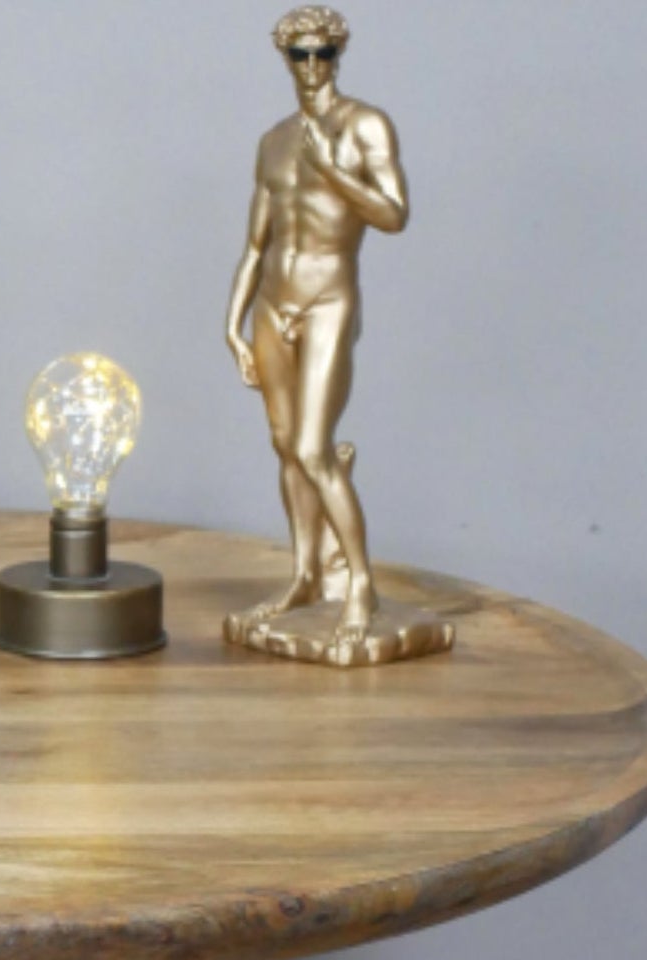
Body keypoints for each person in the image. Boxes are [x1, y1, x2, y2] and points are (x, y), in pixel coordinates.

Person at [225, 7, 408, 647]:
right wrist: (232, 327)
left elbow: (393, 215)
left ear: (338, 55)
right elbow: (254, 245)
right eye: (298, 55)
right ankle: (305, 573)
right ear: (284, 58)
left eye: (321, 55)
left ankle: (359, 583)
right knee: (284, 445)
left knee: (313, 449)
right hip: (272, 303)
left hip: (329, 298)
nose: (310, 67)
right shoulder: (273, 140)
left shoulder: (364, 126)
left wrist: (334, 171)